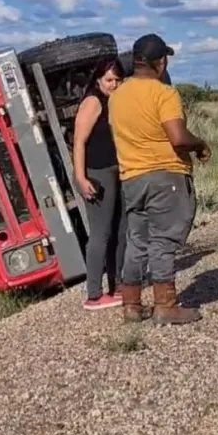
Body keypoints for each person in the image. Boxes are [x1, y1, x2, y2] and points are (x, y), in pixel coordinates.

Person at [108, 34, 211, 326]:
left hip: (132, 178)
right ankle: (165, 305)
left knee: (137, 241)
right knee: (163, 240)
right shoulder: (164, 93)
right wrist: (200, 145)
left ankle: (131, 305)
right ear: (161, 62)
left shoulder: (116, 97)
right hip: (166, 176)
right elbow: (178, 138)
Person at [72, 57, 127, 310]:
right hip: (98, 172)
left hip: (118, 171)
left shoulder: (114, 102)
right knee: (100, 234)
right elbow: (79, 142)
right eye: (109, 80)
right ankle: (94, 294)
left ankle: (119, 284)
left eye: (118, 80)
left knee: (120, 230)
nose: (113, 84)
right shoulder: (93, 102)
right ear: (98, 80)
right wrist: (81, 177)